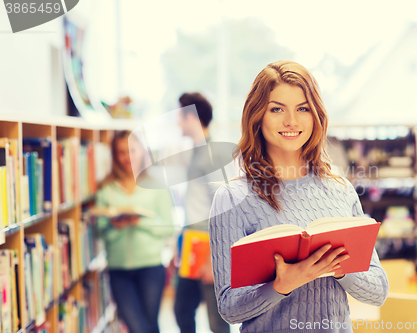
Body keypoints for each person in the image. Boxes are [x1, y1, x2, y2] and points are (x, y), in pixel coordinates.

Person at [208, 60, 389, 333]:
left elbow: (378, 290)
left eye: (302, 108)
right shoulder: (232, 198)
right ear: (257, 116)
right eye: (277, 109)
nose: (291, 121)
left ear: (315, 115)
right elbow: (229, 308)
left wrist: (339, 268)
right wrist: (282, 285)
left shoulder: (340, 190)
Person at [95, 130, 174, 333]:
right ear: (114, 155)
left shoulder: (156, 185)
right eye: (121, 152)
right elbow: (100, 232)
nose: (126, 157)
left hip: (151, 267)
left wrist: (139, 222)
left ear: (142, 151)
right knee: (137, 327)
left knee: (149, 326)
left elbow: (168, 227)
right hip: (119, 270)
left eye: (131, 150)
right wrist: (115, 226)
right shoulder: (106, 188)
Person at [174, 93, 231, 333]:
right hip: (191, 242)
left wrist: (212, 259)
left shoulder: (213, 153)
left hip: (207, 245)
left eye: (180, 116)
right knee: (182, 310)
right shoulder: (198, 151)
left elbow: (223, 207)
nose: (177, 122)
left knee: (216, 320)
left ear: (191, 117)